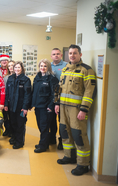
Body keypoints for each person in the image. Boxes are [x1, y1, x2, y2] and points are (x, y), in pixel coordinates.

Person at [55, 44, 96, 176]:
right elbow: (60, 87)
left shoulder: (87, 70)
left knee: (78, 135)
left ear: (80, 55)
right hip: (63, 107)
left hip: (77, 109)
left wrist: (84, 110)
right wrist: (57, 103)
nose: (72, 55)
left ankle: (83, 164)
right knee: (64, 132)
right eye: (70, 53)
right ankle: (69, 156)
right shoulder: (66, 68)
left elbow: (90, 92)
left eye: (75, 53)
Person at [31, 59, 59, 153]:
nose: (43, 68)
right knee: (40, 126)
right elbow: (34, 92)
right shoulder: (37, 77)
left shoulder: (52, 78)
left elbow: (54, 94)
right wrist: (31, 104)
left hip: (46, 107)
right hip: (38, 106)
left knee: (44, 127)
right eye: (41, 66)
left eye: (45, 66)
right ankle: (44, 142)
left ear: (48, 67)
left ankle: (43, 146)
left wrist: (50, 106)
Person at [4, 61, 31, 149]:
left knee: (20, 124)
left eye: (19, 67)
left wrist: (25, 107)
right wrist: (6, 104)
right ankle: (14, 138)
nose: (17, 69)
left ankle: (20, 142)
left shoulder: (26, 80)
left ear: (22, 69)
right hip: (11, 106)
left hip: (21, 107)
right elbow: (7, 93)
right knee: (13, 123)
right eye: (15, 67)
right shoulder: (10, 78)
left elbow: (27, 95)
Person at [51, 48, 67, 150]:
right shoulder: (49, 66)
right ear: (51, 56)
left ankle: (61, 140)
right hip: (51, 98)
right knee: (51, 120)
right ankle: (52, 138)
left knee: (62, 120)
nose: (56, 56)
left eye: (57, 54)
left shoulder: (66, 65)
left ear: (61, 55)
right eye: (54, 54)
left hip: (62, 98)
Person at [2, 60, 15, 137]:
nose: (11, 67)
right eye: (9, 66)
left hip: (14, 101)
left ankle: (12, 132)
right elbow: (5, 90)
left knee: (13, 118)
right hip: (7, 99)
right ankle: (8, 130)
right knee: (6, 116)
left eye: (12, 65)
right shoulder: (6, 77)